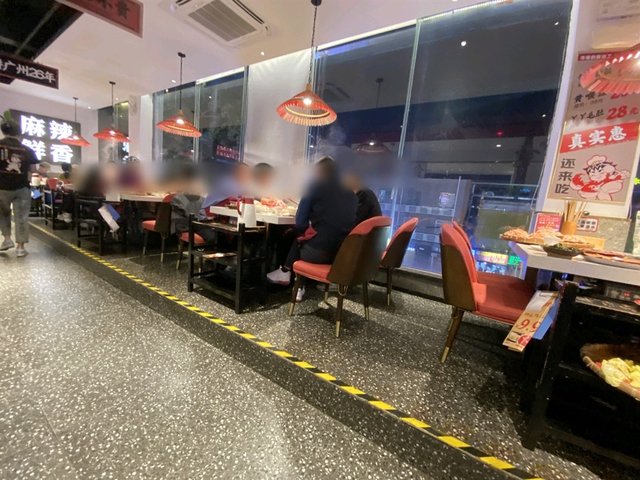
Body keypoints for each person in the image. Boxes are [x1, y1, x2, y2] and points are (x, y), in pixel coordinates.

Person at [267, 157, 357, 301]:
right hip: (341, 257)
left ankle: (290, 278)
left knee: (296, 236)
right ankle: (294, 281)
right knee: (307, 236)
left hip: (318, 254)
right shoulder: (351, 194)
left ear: (320, 172)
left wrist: (303, 232)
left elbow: (300, 222)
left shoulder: (315, 186)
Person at [0, 116, 39, 257]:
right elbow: (33, 170)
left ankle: (7, 239)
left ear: (3, 131)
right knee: (22, 217)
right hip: (22, 188)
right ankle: (20, 248)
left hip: (2, 187)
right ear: (18, 133)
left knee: (3, 214)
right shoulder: (27, 150)